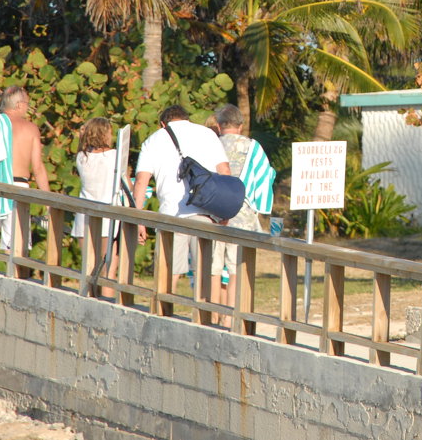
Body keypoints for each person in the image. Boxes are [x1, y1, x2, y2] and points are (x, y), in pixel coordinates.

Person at [133, 105, 232, 295]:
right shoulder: (207, 134)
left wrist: (139, 220)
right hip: (205, 213)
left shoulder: (153, 140)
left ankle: (162, 314)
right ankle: (204, 319)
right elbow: (225, 172)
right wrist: (225, 212)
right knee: (205, 273)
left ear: (163, 123)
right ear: (187, 118)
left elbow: (140, 183)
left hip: (171, 215)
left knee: (168, 272)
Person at [208, 105, 277, 316]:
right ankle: (230, 319)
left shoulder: (210, 144)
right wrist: (261, 207)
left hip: (212, 213)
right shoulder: (252, 146)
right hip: (242, 213)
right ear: (240, 126)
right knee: (236, 268)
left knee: (213, 268)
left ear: (219, 125)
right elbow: (266, 176)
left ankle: (210, 315)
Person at [0, 86, 51, 253]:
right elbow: (38, 168)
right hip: (18, 187)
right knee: (16, 248)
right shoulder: (30, 128)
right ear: (18, 105)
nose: (27, 108)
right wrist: (48, 203)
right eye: (27, 104)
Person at [72, 117, 123, 296]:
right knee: (107, 268)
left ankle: (89, 301)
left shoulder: (81, 157)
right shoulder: (114, 155)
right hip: (108, 216)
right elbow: (126, 184)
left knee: (89, 268)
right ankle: (107, 304)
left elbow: (82, 149)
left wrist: (82, 137)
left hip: (83, 216)